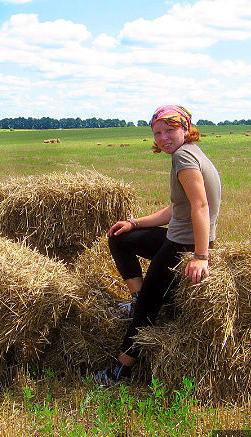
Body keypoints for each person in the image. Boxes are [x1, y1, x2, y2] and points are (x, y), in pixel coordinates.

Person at [95, 105, 221, 386]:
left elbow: (200, 206)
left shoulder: (184, 157)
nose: (163, 138)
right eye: (157, 133)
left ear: (186, 129)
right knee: (120, 238)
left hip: (184, 244)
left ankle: (118, 374)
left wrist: (201, 256)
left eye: (170, 130)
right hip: (180, 237)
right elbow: (178, 208)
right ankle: (138, 297)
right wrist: (135, 223)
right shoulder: (192, 154)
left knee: (147, 311)